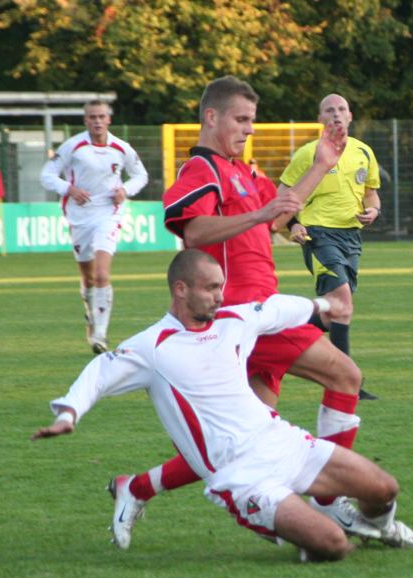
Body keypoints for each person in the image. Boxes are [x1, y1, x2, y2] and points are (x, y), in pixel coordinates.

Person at [107, 76, 373, 550]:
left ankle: (136, 486)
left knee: (240, 442)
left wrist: (320, 167)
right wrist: (257, 216)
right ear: (212, 117)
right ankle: (329, 501)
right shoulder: (202, 170)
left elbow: (276, 217)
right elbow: (195, 231)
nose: (249, 129)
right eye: (242, 119)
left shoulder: (245, 173)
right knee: (345, 376)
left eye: (252, 120)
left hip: (258, 316)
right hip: (238, 314)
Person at [32, 249, 413, 562]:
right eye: (210, 288)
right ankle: (292, 529)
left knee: (384, 489)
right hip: (240, 476)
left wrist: (324, 305)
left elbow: (274, 310)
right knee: (334, 545)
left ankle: (382, 529)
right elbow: (100, 371)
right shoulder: (151, 347)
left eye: (221, 287)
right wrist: (68, 413)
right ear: (181, 289)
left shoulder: (233, 321)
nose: (220, 296)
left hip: (282, 443)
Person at [276, 94, 382, 401]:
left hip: (352, 237)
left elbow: (372, 195)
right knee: (343, 304)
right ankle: (346, 382)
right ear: (320, 119)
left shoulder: (364, 152)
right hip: (319, 234)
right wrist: (293, 223)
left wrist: (374, 211)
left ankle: (271, 326)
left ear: (350, 116)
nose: (336, 115)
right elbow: (282, 196)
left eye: (341, 110)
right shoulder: (308, 154)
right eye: (329, 111)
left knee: (335, 313)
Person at [41, 100, 150, 353]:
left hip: (108, 214)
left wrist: (125, 190)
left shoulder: (121, 148)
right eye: (92, 117)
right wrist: (69, 189)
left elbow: (140, 175)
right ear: (85, 120)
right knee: (88, 278)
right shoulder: (73, 146)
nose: (97, 121)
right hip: (79, 217)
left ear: (109, 119)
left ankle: (99, 336)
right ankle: (91, 313)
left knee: (102, 274)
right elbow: (47, 175)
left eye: (101, 116)